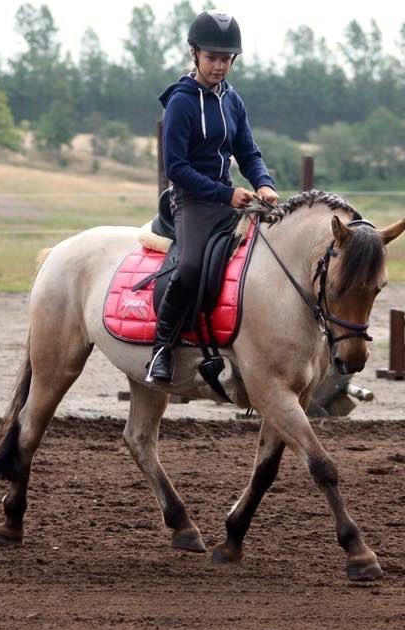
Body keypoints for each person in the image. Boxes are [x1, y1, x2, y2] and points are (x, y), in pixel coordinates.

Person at [146, 10, 280, 384]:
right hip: (192, 201)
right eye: (212, 58)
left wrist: (264, 183)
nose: (219, 66)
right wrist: (225, 193)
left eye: (226, 59)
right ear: (195, 54)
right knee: (189, 268)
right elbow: (176, 167)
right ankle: (162, 346)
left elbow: (248, 153)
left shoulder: (233, 101)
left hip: (229, 198)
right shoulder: (181, 102)